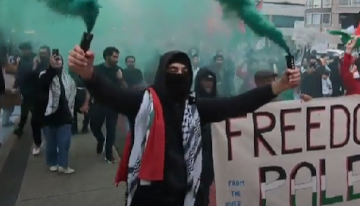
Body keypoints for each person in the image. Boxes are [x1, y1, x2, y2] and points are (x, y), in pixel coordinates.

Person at [67, 46, 300, 206]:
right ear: (161, 72)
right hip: (148, 197)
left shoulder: (196, 107)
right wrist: (89, 74)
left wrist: (276, 87)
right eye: (172, 70)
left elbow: (235, 105)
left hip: (186, 196)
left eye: (184, 72)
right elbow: (111, 95)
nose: (179, 75)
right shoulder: (142, 102)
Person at [38, 55, 76, 174]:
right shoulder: (44, 74)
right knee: (51, 143)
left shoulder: (67, 77)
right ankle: (52, 162)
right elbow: (43, 84)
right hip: (49, 115)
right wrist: (52, 69)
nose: (57, 61)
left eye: (59, 59)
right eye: (55, 59)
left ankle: (63, 165)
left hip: (65, 115)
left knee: (64, 142)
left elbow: (73, 93)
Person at [90, 46, 125, 163]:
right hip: (99, 103)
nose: (116, 59)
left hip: (113, 104)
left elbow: (125, 88)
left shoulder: (118, 70)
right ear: (107, 56)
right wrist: (86, 102)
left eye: (117, 57)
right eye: (114, 57)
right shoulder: (97, 69)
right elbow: (89, 86)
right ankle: (100, 140)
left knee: (111, 129)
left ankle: (109, 154)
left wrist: (120, 79)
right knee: (94, 126)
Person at [193, 68, 216, 206]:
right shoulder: (191, 101)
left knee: (205, 188)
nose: (208, 84)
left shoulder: (218, 101)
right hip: (195, 153)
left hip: (212, 154)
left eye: (211, 81)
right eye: (205, 81)